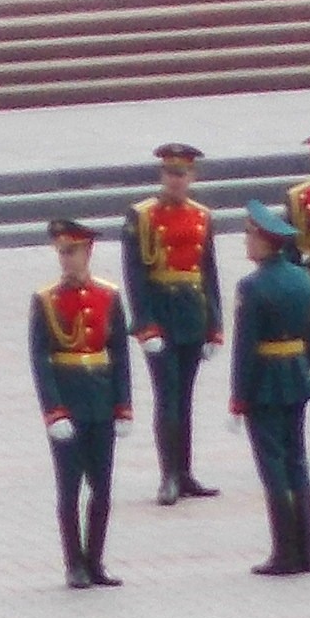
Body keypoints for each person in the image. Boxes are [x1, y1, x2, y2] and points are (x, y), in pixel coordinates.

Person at [29, 215, 137, 585]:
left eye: (72, 252)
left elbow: (119, 353)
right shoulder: (46, 300)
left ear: (88, 252)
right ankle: (73, 562)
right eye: (62, 253)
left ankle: (96, 561)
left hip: (100, 402)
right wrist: (54, 411)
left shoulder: (109, 296)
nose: (66, 259)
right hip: (69, 403)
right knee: (69, 488)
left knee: (102, 488)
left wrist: (123, 404)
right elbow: (40, 359)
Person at [226, 196, 310, 576]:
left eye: (250, 234)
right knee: (297, 461)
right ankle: (306, 549)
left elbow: (245, 347)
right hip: (296, 373)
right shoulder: (303, 278)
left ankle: (285, 551)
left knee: (274, 467)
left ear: (265, 241)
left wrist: (239, 397)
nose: (246, 241)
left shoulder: (252, 286)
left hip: (265, 381)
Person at [126, 144, 227, 506]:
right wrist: (144, 324)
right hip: (161, 315)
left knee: (184, 398)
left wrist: (215, 324)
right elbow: (135, 274)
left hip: (191, 314)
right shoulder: (142, 216)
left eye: (181, 174)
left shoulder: (202, 215)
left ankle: (184, 472)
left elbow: (208, 272)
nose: (175, 180)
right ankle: (168, 474)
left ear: (192, 177)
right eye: (170, 173)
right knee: (167, 396)